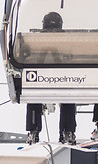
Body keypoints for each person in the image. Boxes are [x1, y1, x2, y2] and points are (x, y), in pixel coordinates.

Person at [26, 12, 77, 145]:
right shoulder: (61, 40)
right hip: (51, 76)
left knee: (34, 96)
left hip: (51, 77)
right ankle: (66, 131)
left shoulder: (39, 39)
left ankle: (35, 130)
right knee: (66, 99)